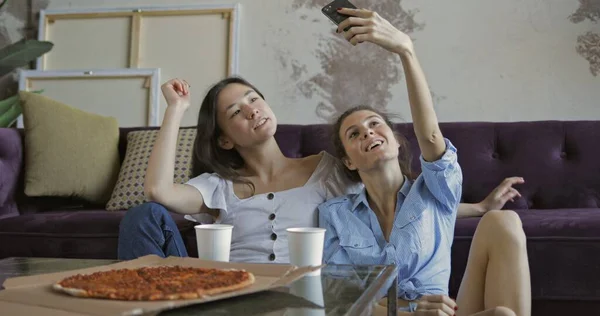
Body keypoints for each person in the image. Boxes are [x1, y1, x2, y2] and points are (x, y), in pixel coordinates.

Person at [116, 31, 524, 265]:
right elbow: (159, 193)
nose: (252, 110)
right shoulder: (217, 186)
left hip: (299, 294)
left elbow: (399, 198)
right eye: (237, 111)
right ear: (225, 138)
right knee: (144, 215)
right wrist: (176, 109)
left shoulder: (328, 168)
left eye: (255, 98)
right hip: (226, 293)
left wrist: (478, 207)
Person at [318, 7, 530, 316]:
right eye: (354, 133)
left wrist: (406, 50)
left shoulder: (435, 194)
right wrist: (407, 311)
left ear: (396, 139)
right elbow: (339, 297)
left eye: (376, 124)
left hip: (443, 313)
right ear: (348, 161)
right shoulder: (334, 215)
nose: (367, 132)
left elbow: (431, 137)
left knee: (504, 224)